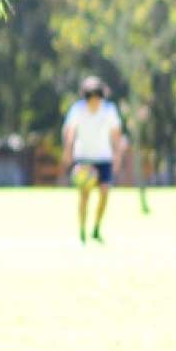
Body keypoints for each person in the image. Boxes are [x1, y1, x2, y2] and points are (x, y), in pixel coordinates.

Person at [63, 76, 126, 244]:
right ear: (86, 98)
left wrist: (117, 155)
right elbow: (70, 132)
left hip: (103, 157)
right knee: (84, 196)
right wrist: (68, 151)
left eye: (98, 98)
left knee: (105, 192)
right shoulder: (77, 110)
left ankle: (96, 228)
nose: (95, 102)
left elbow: (116, 135)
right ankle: (82, 231)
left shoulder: (109, 110)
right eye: (91, 99)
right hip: (83, 157)